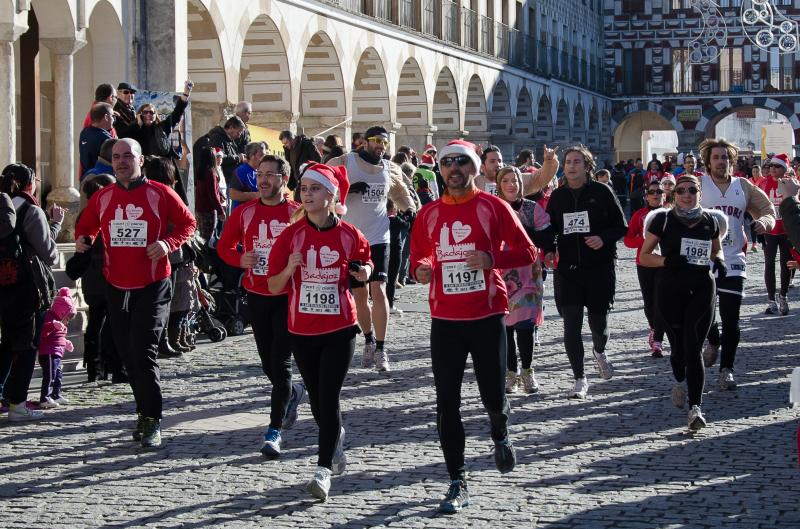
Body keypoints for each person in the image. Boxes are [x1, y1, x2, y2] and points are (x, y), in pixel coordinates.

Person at [410, 140, 535, 514]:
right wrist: (420, 270)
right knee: (446, 403)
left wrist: (491, 258)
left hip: (486, 315)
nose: (453, 170)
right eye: (447, 163)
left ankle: (500, 431)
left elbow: (528, 251)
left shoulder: (492, 206)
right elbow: (418, 258)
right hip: (445, 319)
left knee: (492, 395)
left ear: (476, 168)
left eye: (461, 163)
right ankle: (457, 479)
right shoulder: (428, 214)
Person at [75, 138, 196, 447]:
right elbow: (86, 226)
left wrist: (167, 244)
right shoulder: (103, 196)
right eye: (116, 157)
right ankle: (144, 413)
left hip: (153, 285)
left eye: (128, 156)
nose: (122, 161)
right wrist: (84, 240)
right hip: (116, 285)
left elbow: (188, 224)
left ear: (141, 160)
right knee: (128, 357)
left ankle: (152, 420)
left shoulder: (160, 192)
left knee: (143, 353)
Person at [266, 163, 371, 501]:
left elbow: (367, 265)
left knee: (328, 397)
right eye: (304, 189)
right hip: (302, 329)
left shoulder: (350, 234)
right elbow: (272, 284)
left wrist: (362, 272)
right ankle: (334, 437)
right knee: (317, 403)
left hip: (340, 328)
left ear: (330, 195)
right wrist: (291, 268)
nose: (306, 194)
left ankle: (323, 470)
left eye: (314, 189)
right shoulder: (291, 235)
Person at [218, 154, 306, 457]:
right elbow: (224, 247)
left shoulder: (297, 212)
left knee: (280, 364)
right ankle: (293, 393)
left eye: (270, 174)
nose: (264, 179)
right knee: (269, 363)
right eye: (260, 174)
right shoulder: (244, 213)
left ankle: (274, 430)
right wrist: (239, 259)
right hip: (257, 294)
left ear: (284, 179)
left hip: (288, 297)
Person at [639, 175, 727, 430]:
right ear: (673, 194)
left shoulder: (710, 220)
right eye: (681, 191)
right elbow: (645, 256)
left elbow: (716, 248)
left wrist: (719, 259)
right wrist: (666, 261)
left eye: (692, 190)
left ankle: (695, 408)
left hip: (701, 286)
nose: (687, 194)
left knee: (693, 347)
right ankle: (679, 380)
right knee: (678, 349)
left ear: (700, 193)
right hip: (670, 289)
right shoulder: (662, 220)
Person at [327, 126, 416, 372]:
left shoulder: (389, 167)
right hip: (352, 238)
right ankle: (367, 338)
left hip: (379, 237)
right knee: (359, 295)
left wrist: (408, 210)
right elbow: (322, 185)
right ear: (364, 142)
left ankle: (381, 348)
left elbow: (399, 191)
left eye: (385, 143)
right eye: (376, 141)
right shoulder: (346, 161)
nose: (381, 146)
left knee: (379, 290)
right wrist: (345, 192)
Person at [545, 145, 627, 399]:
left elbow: (620, 227)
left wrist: (603, 238)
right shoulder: (558, 197)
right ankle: (580, 379)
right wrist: (548, 250)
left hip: (599, 269)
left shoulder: (601, 192)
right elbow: (550, 229)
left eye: (577, 161)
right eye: (568, 161)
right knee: (571, 326)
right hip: (568, 270)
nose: (571, 166)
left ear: (587, 166)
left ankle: (599, 352)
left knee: (598, 324)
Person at [699, 138, 774, 391]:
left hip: (733, 259)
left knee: (732, 318)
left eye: (726, 158)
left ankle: (726, 370)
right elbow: (675, 210)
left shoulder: (743, 186)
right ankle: (713, 339)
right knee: (703, 314)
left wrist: (764, 222)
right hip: (701, 260)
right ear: (708, 161)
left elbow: (767, 209)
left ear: (732, 161)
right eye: (717, 157)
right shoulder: (697, 185)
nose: (722, 162)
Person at [0, 163, 61, 421]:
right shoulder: (30, 209)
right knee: (26, 345)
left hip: (4, 285)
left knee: (6, 344)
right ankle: (17, 403)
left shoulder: (3, 209)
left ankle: (5, 396)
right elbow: (49, 254)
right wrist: (55, 225)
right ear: (29, 183)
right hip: (27, 288)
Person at [495, 166, 554, 395]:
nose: (511, 185)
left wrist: (527, 234)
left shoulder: (531, 209)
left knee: (525, 327)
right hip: (500, 273)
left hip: (528, 273)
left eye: (515, 181)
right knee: (506, 327)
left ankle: (528, 371)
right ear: (499, 185)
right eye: (506, 181)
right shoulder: (493, 208)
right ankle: (511, 373)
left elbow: (547, 235)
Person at [624, 180, 667, 357]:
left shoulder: (671, 214)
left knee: (662, 302)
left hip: (664, 263)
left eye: (659, 192)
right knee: (649, 303)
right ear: (646, 196)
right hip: (644, 263)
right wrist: (645, 241)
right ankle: (653, 328)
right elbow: (627, 240)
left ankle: (658, 340)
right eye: (652, 192)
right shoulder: (639, 215)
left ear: (664, 195)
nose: (656, 195)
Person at [758, 153, 795, 315]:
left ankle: (784, 296)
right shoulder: (763, 183)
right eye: (770, 166)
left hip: (787, 231)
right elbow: (756, 205)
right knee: (769, 263)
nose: (772, 169)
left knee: (786, 264)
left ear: (784, 168)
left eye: (777, 166)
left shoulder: (791, 184)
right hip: (770, 231)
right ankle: (771, 300)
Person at [119, 81, 192, 159]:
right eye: (145, 112)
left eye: (151, 112)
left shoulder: (162, 127)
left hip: (162, 166)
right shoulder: (135, 130)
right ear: (140, 115)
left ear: (155, 115)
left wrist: (186, 94)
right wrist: (138, 124)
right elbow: (123, 137)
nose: (148, 115)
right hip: (143, 168)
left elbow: (177, 113)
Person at [37, 287, 77, 408]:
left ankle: (55, 394)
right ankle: (45, 397)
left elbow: (58, 337)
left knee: (58, 375)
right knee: (50, 375)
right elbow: (42, 331)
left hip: (57, 352)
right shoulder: (50, 316)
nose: (68, 321)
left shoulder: (61, 324)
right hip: (49, 352)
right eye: (68, 317)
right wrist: (53, 325)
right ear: (62, 312)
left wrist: (65, 342)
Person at [194, 116, 247, 184]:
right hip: (222, 180)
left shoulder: (231, 140)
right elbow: (218, 159)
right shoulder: (217, 138)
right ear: (231, 127)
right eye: (238, 132)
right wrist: (238, 158)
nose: (239, 136)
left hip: (228, 179)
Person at [194, 146, 227, 240]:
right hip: (208, 210)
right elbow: (212, 194)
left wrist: (220, 194)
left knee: (200, 235)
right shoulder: (211, 173)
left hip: (199, 208)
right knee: (207, 237)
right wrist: (221, 211)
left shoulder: (200, 171)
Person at [79, 103, 115, 178]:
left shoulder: (84, 132)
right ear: (106, 117)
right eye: (112, 116)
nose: (113, 119)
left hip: (86, 178)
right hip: (101, 180)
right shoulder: (106, 139)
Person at [230, 141, 267, 210]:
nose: (264, 158)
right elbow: (233, 194)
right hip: (241, 215)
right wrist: (257, 195)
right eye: (261, 155)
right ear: (251, 156)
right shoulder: (241, 171)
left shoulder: (259, 171)